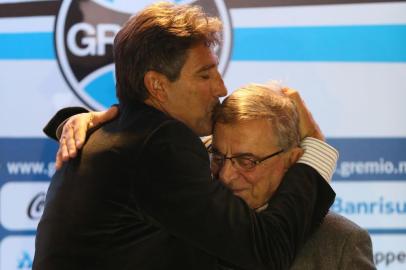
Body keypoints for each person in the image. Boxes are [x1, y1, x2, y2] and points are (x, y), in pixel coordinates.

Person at [33, 2, 336, 270]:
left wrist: (73, 118)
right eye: (205, 75)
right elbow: (269, 249)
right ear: (158, 86)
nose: (221, 88)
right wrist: (316, 149)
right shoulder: (162, 143)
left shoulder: (118, 137)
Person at [208, 83, 376, 269]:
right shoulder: (189, 228)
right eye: (217, 157)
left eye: (247, 161)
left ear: (292, 159)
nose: (225, 175)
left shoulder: (342, 243)